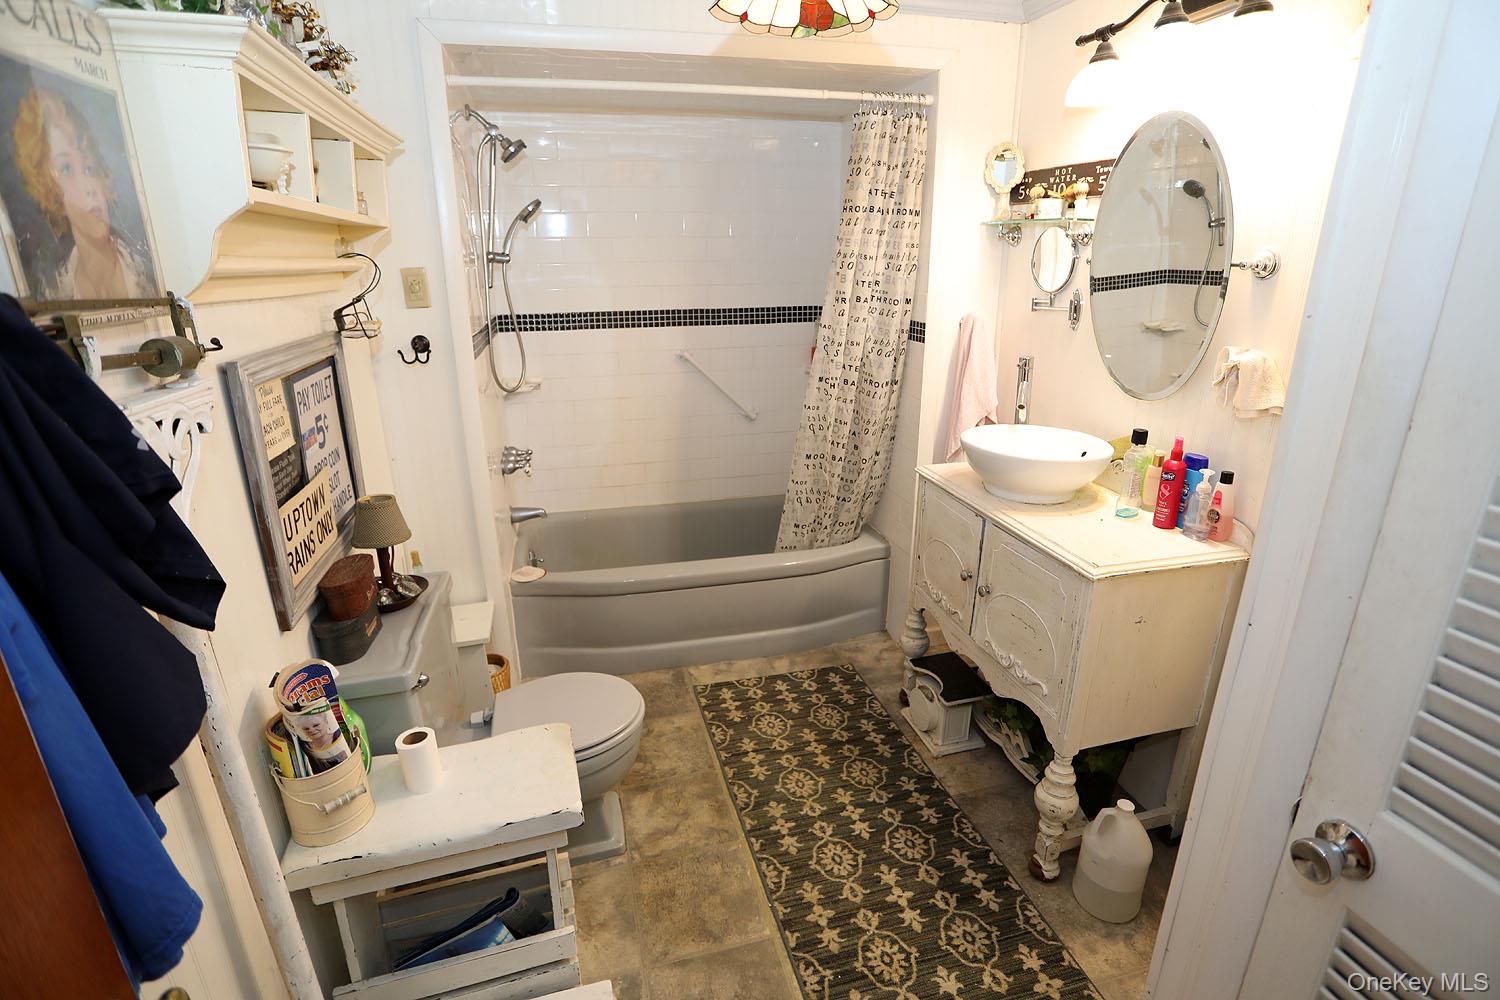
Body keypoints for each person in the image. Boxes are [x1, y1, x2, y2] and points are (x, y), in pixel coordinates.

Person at [13, 86, 154, 299]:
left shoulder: (145, 271)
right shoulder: (59, 293)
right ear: (49, 188)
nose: (89, 187)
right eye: (67, 169)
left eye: (89, 167)